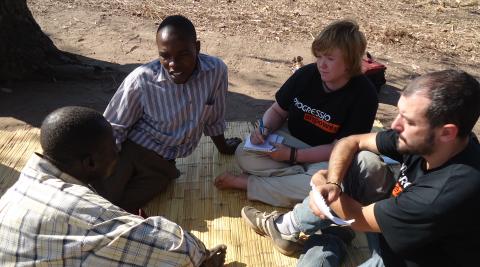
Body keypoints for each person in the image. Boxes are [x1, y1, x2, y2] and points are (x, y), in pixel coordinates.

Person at [241, 69, 480, 266]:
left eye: (408, 121)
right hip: (395, 236)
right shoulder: (436, 141)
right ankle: (291, 229)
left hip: (399, 259)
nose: (394, 125)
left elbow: (359, 217)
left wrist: (321, 188)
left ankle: (330, 240)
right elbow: (351, 141)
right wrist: (333, 181)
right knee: (362, 161)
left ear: (447, 132)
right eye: (399, 114)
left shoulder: (445, 193)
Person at [0, 106, 226, 266]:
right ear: (90, 162)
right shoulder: (90, 212)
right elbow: (181, 249)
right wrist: (201, 255)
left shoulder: (16, 192)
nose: (118, 154)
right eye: (113, 150)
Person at [214, 19, 380, 208]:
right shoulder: (306, 75)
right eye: (319, 57)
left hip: (326, 156)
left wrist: (292, 156)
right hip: (288, 139)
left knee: (330, 184)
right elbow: (277, 110)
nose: (321, 65)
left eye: (330, 59)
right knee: (244, 153)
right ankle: (297, 179)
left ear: (349, 63)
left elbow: (339, 149)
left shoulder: (364, 95)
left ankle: (248, 183)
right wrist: (264, 129)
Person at [95, 15, 241, 213]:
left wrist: (223, 147)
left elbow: (214, 114)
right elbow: (114, 128)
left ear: (197, 48)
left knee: (123, 208)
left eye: (183, 54)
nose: (173, 63)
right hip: (129, 151)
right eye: (165, 56)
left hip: (163, 167)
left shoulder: (215, 71)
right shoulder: (141, 80)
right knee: (100, 201)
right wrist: (109, 169)